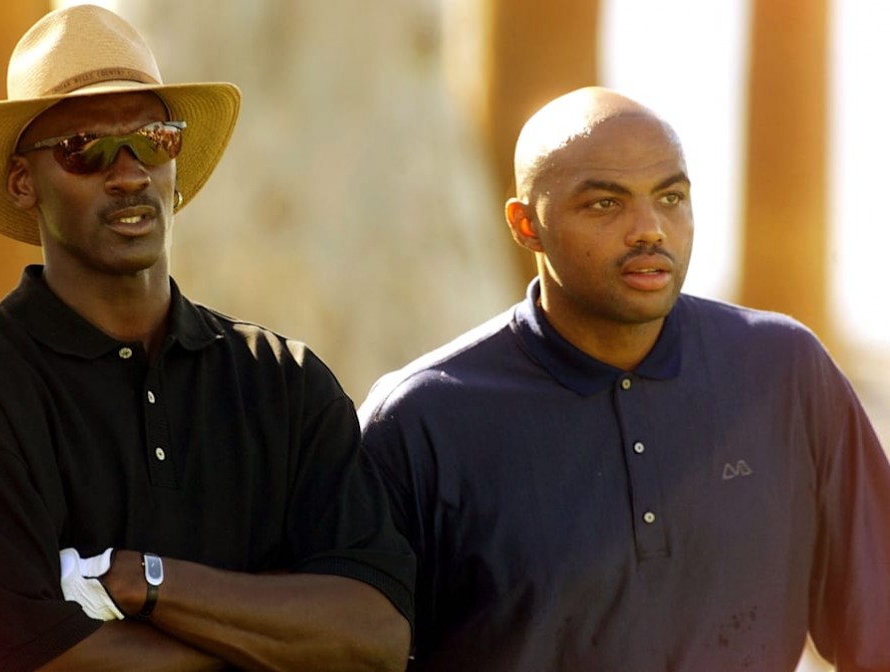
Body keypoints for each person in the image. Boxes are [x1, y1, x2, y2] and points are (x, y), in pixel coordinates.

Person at [0, 5, 413, 671]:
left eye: (153, 139)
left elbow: (375, 636)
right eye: (86, 148)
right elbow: (26, 660)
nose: (130, 173)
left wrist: (146, 580)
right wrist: (277, 640)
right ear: (24, 181)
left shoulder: (284, 380)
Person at [358, 86, 890, 671]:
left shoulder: (785, 369)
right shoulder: (423, 416)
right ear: (526, 224)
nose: (650, 230)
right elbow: (352, 646)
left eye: (670, 197)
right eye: (605, 204)